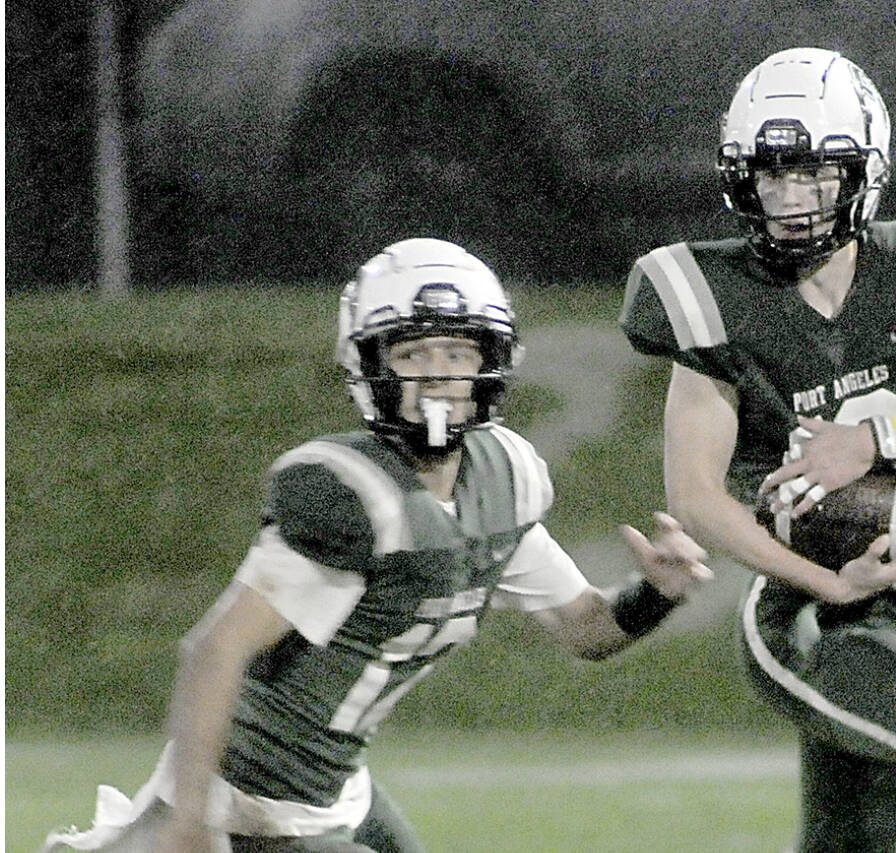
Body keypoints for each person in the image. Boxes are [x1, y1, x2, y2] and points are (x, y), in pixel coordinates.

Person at [42, 237, 712, 853]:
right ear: (371, 366)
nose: (437, 376)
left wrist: (653, 595)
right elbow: (215, 648)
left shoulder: (502, 480)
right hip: (251, 804)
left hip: (336, 790)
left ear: (492, 361)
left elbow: (585, 628)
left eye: (457, 352)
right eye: (412, 354)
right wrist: (190, 822)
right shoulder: (352, 496)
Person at [619, 47, 896, 853]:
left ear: (864, 171)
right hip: (805, 616)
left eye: (815, 173)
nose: (790, 197)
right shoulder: (704, 299)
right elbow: (696, 496)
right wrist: (828, 579)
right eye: (770, 174)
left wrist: (878, 440)